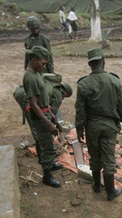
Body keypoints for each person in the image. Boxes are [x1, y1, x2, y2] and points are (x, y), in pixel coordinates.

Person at [75, 48, 122, 201]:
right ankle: (110, 191)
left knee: (94, 156)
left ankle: (96, 185)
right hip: (109, 126)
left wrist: (79, 129)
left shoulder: (83, 84)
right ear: (103, 62)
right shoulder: (114, 81)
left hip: (92, 127)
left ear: (90, 65)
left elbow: (80, 111)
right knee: (108, 157)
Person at [23, 46, 63, 188]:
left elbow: (42, 101)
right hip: (39, 118)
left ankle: (51, 164)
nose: (45, 65)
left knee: (48, 142)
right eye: (43, 62)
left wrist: (52, 115)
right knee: (46, 146)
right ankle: (47, 175)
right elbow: (34, 105)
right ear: (34, 60)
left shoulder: (36, 73)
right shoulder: (30, 77)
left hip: (45, 113)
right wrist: (48, 124)